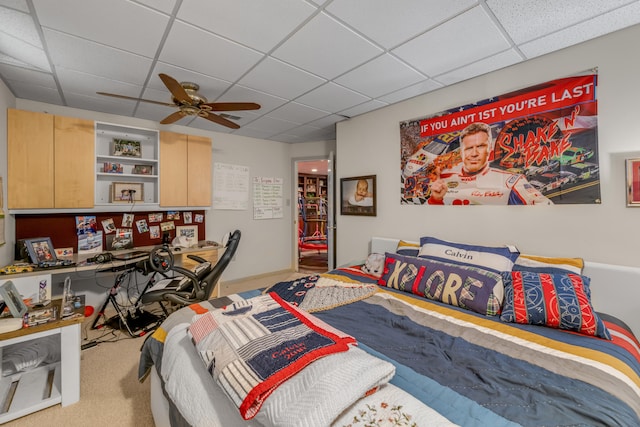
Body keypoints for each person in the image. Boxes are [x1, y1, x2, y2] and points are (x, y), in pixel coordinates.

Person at [428, 122, 552, 205]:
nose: (474, 153)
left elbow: (546, 209)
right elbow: (429, 217)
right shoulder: (444, 177)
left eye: (481, 146)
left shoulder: (511, 181)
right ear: (461, 151)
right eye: (469, 148)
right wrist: (435, 199)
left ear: (490, 148)